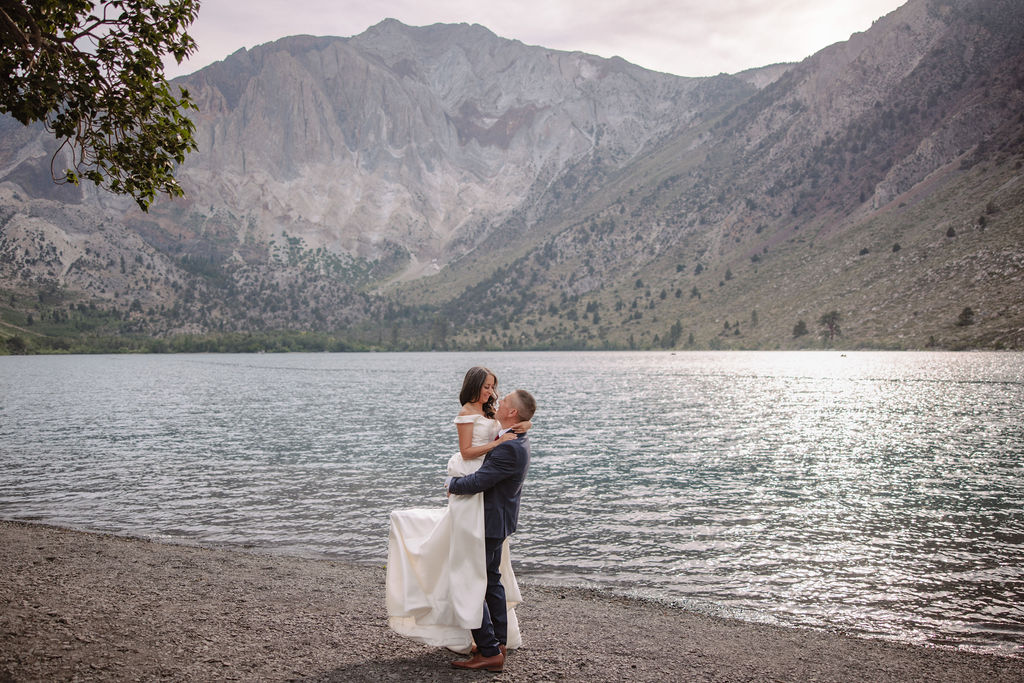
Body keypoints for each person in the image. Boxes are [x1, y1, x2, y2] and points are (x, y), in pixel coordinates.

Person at [385, 367, 531, 657]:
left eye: (493, 387)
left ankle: (493, 644)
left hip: (486, 491)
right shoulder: (466, 413)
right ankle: (490, 643)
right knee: (481, 573)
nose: (492, 393)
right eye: (487, 387)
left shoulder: (494, 415)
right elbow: (466, 452)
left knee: (487, 574)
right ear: (474, 386)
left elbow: (512, 427)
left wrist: (519, 428)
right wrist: (498, 443)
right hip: (476, 484)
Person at [446, 387, 535, 673]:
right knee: (492, 579)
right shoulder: (516, 436)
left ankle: (488, 650)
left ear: (511, 412)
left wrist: (452, 485)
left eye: (504, 400)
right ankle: (500, 641)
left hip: (489, 521)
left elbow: (480, 481)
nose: (498, 400)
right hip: (499, 520)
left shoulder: (509, 447)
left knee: (470, 580)